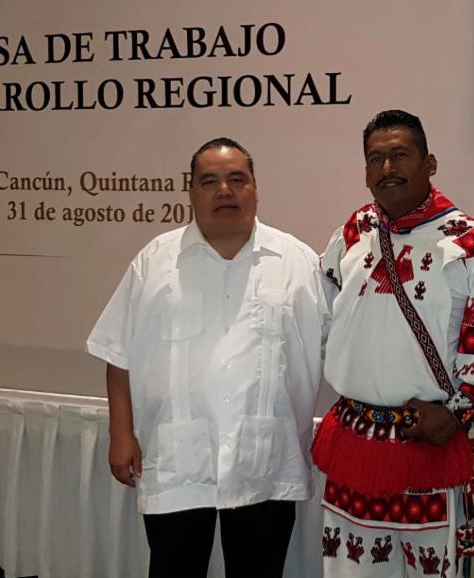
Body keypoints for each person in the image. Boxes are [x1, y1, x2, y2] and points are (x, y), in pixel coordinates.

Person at [86, 137, 329, 578]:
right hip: (178, 457)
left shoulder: (298, 262)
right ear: (191, 192)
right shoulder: (155, 262)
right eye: (209, 181)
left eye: (237, 179)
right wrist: (120, 433)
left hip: (265, 460)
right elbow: (118, 353)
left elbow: (339, 351)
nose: (224, 191)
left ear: (255, 188)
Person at [311, 110, 474, 577]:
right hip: (357, 439)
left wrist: (458, 412)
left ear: (430, 164)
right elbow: (323, 314)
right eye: (375, 159)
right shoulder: (354, 231)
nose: (387, 168)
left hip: (428, 440)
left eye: (400, 155)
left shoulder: (471, 245)